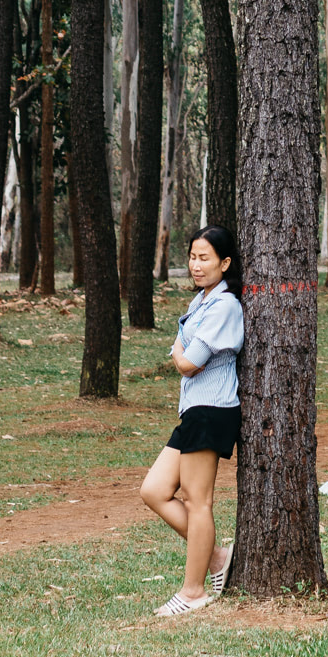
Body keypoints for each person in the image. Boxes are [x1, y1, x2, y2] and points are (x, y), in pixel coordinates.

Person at [139, 224, 244, 618]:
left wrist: (179, 346)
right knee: (153, 490)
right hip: (193, 410)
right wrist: (181, 347)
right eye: (193, 257)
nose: (196, 265)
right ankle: (217, 557)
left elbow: (187, 363)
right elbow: (183, 355)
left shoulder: (224, 305)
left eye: (205, 258)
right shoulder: (201, 301)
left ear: (225, 263)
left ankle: (193, 591)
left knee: (198, 501)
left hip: (212, 409)